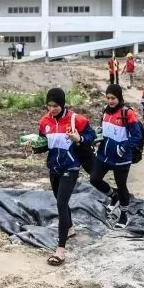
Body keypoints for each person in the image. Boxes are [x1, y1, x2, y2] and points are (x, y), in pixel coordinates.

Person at [36, 88, 96, 266]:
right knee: (59, 199)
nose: (52, 109)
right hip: (54, 167)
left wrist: (79, 138)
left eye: (55, 105)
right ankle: (69, 227)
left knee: (61, 203)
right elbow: (43, 144)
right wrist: (33, 147)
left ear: (62, 104)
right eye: (49, 105)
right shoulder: (44, 121)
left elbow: (91, 136)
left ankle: (60, 250)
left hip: (71, 166)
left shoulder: (76, 119)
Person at [91, 84, 144, 228]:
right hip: (104, 154)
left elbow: (136, 135)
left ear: (119, 97)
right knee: (94, 179)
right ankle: (112, 196)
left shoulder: (127, 113)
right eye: (108, 98)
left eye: (113, 98)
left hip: (121, 157)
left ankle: (124, 215)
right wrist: (97, 137)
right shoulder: (105, 111)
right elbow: (104, 129)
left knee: (121, 186)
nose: (110, 101)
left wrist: (123, 148)